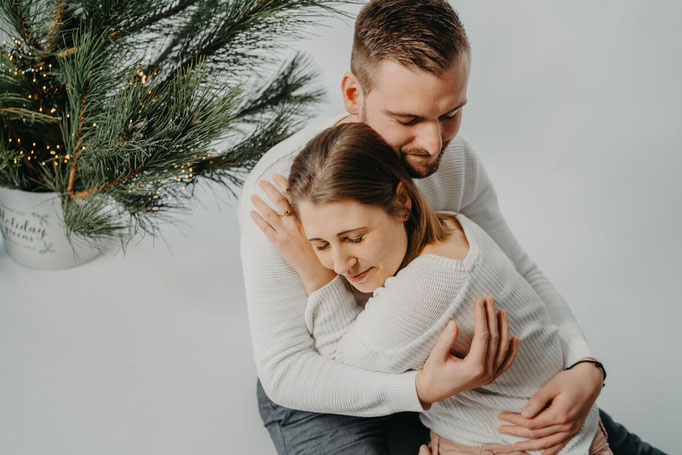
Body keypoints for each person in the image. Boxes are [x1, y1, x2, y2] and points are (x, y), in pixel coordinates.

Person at [237, 1, 665, 454]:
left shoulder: (450, 160)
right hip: (321, 387)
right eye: (408, 120)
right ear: (352, 94)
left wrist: (583, 364)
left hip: (454, 373)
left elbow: (520, 270)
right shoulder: (285, 198)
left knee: (584, 431)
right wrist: (419, 389)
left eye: (449, 114)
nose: (432, 144)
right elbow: (286, 372)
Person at [251, 121, 612, 455]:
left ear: (402, 202)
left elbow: (340, 364)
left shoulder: (426, 287)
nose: (342, 264)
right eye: (321, 246)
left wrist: (314, 273)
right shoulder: (455, 226)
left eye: (355, 238)